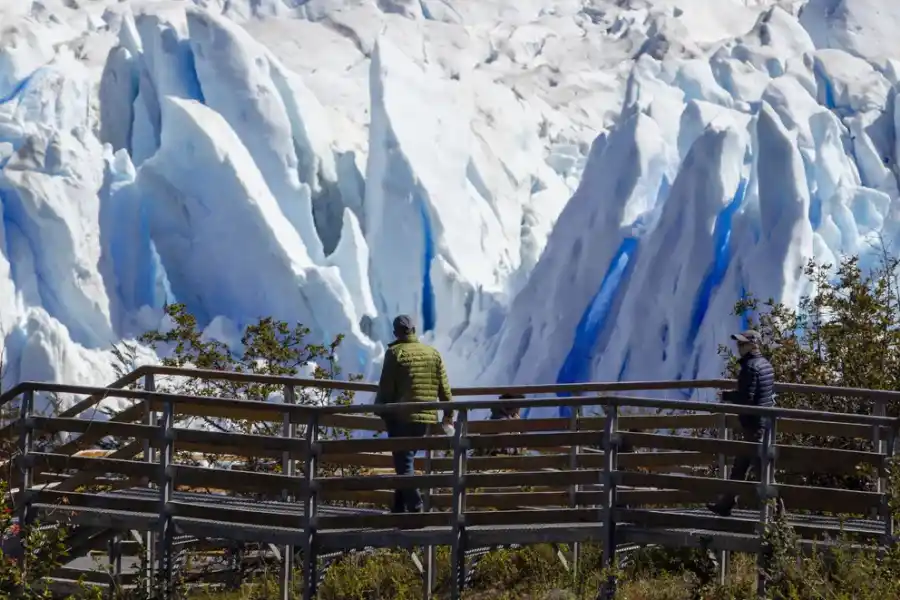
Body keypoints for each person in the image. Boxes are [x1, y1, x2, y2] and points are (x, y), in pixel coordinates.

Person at [374, 315, 453, 514]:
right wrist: (448, 415)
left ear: (395, 333)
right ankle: (398, 509)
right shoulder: (433, 353)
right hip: (425, 420)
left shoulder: (395, 353)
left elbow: (386, 388)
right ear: (415, 330)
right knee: (405, 461)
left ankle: (416, 506)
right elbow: (445, 390)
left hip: (400, 418)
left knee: (404, 464)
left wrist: (380, 410)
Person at [707, 329, 775, 516]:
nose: (739, 347)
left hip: (754, 425)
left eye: (742, 344)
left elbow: (747, 398)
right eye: (739, 343)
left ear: (753, 345)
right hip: (764, 424)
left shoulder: (750, 368)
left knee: (763, 472)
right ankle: (726, 504)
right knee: (741, 466)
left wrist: (727, 396)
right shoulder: (766, 365)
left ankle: (778, 516)